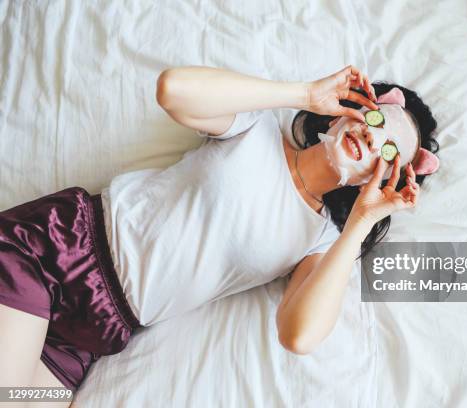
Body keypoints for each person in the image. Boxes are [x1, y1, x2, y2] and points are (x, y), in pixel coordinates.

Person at [0, 65, 438, 400]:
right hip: (58, 249)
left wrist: (360, 222)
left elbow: (298, 336)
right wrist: (303, 93)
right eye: (375, 119)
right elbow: (172, 89)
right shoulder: (257, 129)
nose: (368, 133)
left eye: (387, 150)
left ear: (380, 178)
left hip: (95, 331)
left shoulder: (321, 241)